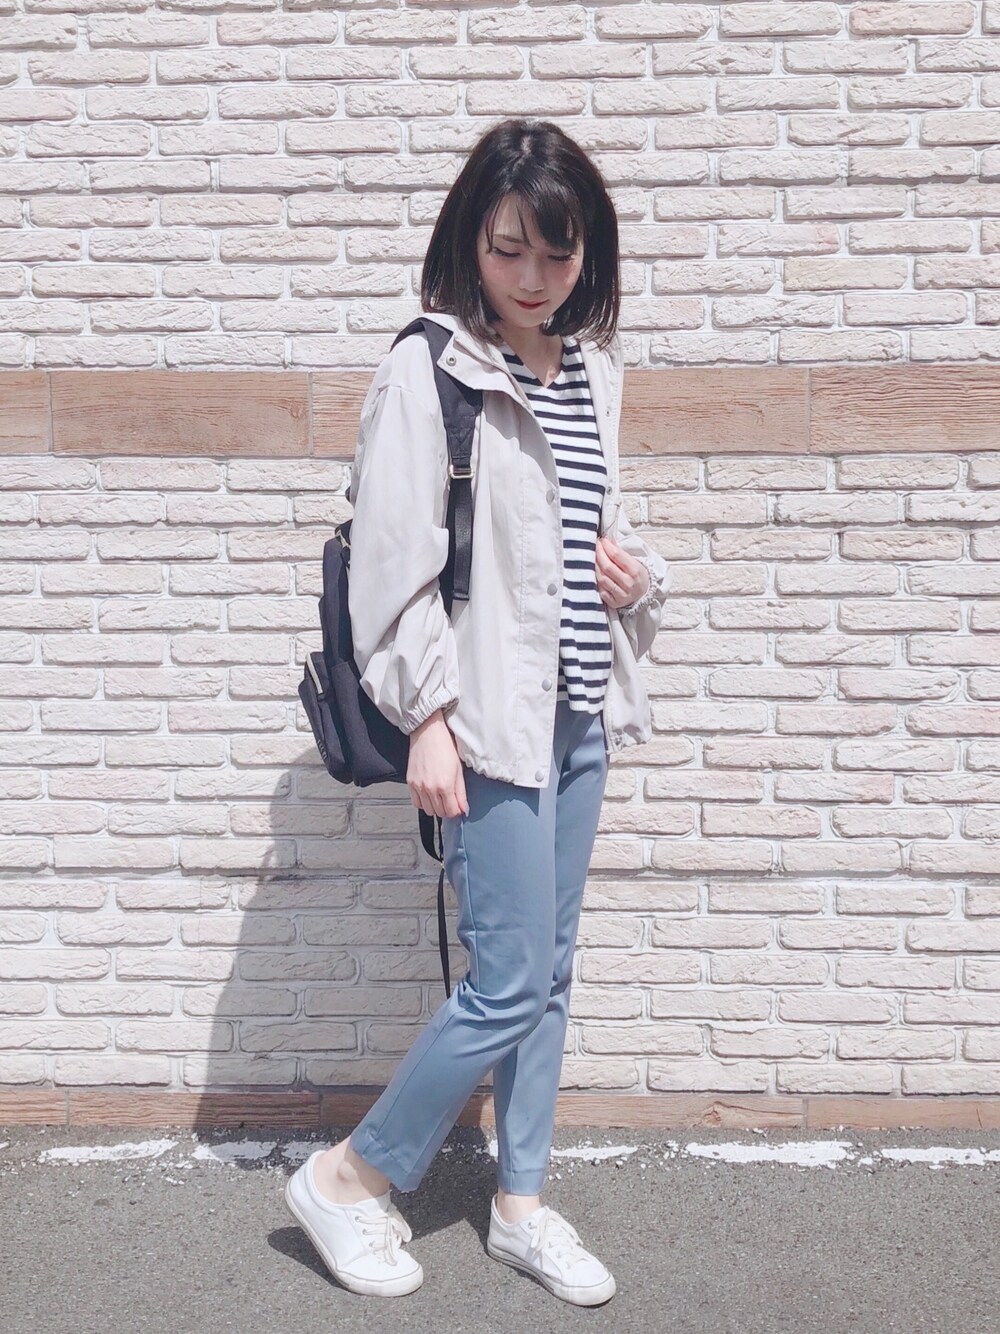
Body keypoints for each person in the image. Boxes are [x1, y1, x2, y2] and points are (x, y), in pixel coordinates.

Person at [284, 117, 669, 1305]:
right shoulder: (429, 370)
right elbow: (393, 569)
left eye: (558, 253)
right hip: (487, 717)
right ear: (471, 240)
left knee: (548, 971)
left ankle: (522, 1203)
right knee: (505, 976)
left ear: (587, 254)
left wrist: (639, 582)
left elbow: (586, 537)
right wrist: (428, 718)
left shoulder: (592, 373)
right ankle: (347, 1175)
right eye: (509, 250)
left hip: (577, 710)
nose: (533, 277)